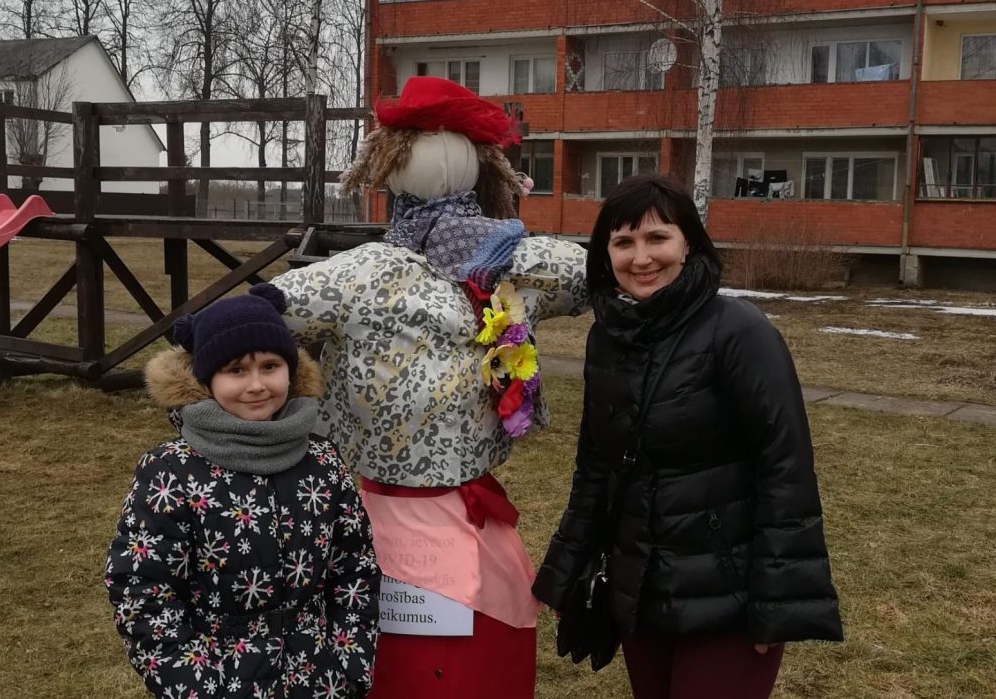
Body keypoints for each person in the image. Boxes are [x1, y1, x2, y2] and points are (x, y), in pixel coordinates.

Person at [269, 76, 589, 699]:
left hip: (465, 505)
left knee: (469, 661)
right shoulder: (372, 272)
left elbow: (598, 273)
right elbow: (259, 317)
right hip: (376, 510)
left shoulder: (508, 261)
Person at [532, 174, 843, 699]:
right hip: (641, 590)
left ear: (689, 244)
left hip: (729, 596)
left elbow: (785, 468)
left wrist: (779, 601)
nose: (641, 258)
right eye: (623, 242)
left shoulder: (738, 330)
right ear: (605, 254)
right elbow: (596, 466)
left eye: (657, 237)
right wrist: (568, 567)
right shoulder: (608, 338)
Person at [105, 283, 380, 699]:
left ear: (292, 370)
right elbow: (143, 592)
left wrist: (350, 666)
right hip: (217, 679)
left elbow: (354, 569)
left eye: (270, 366)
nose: (256, 385)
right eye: (236, 370)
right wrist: (194, 687)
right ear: (206, 379)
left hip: (320, 680)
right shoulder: (171, 470)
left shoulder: (322, 462)